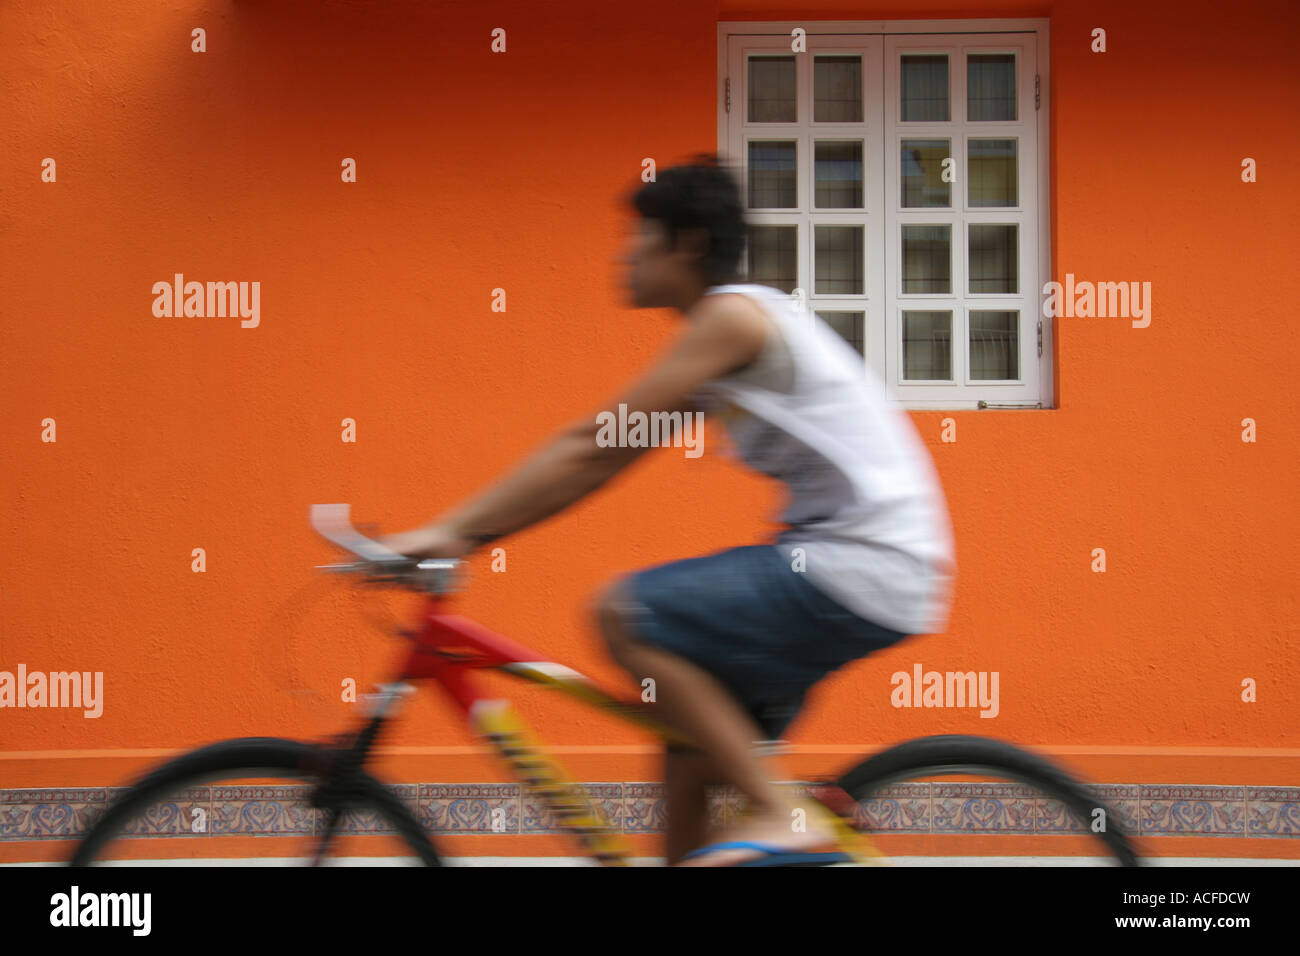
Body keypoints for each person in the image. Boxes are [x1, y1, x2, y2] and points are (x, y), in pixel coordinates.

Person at [378, 153, 956, 866]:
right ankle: (761, 813)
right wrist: (469, 534)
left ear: (686, 243)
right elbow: (602, 461)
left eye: (639, 236)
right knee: (687, 755)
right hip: (868, 568)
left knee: (624, 613)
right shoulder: (725, 345)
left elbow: (588, 444)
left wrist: (451, 531)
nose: (624, 254)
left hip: (861, 563)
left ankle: (781, 813)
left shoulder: (733, 319)